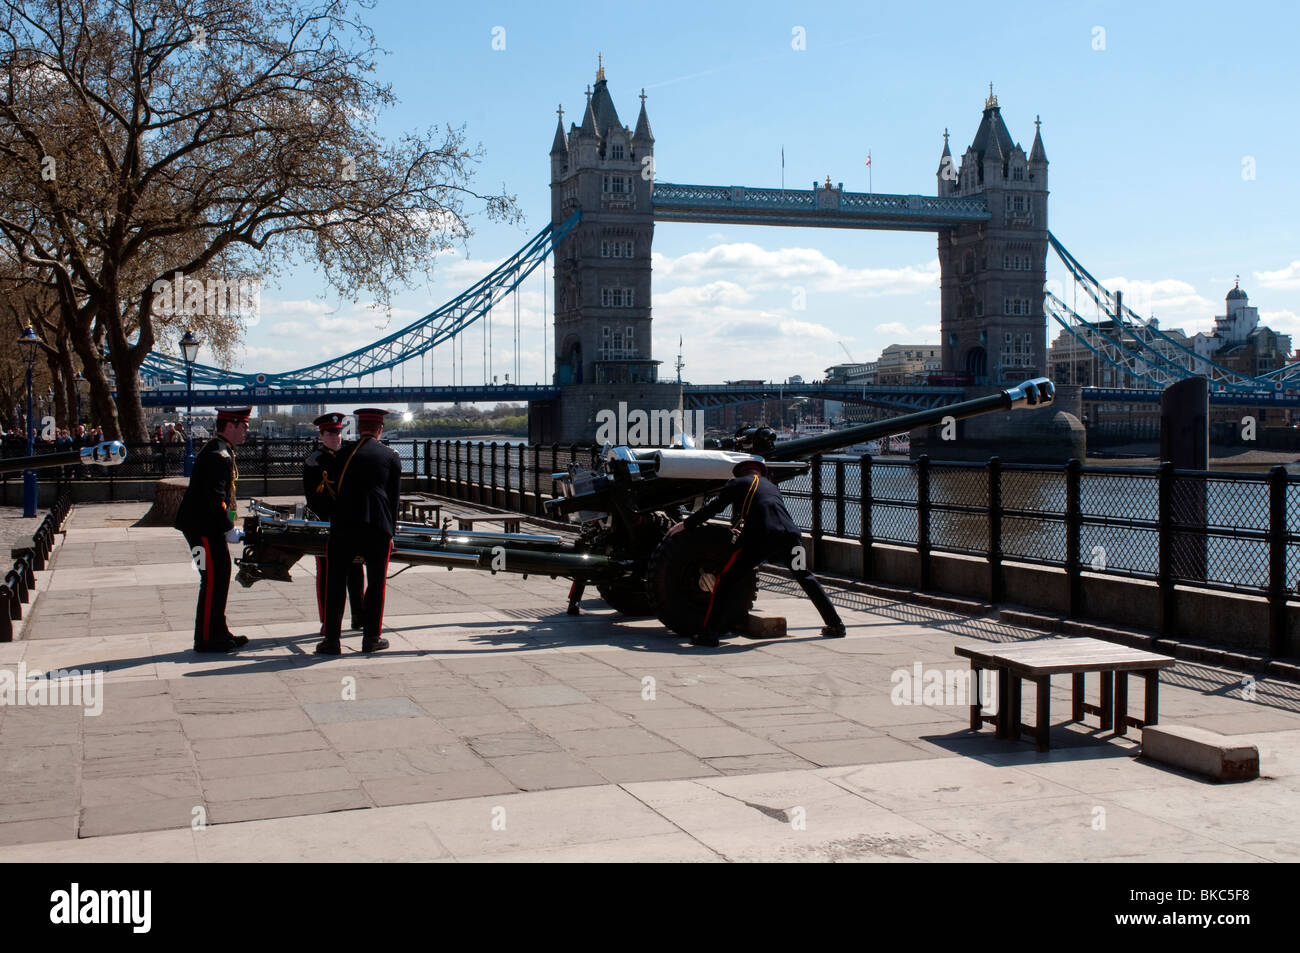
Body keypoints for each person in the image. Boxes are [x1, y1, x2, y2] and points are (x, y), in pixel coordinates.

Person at [666, 458, 846, 647]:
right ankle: (836, 624)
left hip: (762, 537)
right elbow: (764, 511)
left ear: (740, 473)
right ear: (761, 472)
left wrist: (686, 524)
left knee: (725, 579)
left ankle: (709, 633)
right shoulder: (771, 486)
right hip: (791, 535)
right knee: (805, 577)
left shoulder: (737, 483)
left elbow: (715, 507)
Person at [318, 408, 400, 655]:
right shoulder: (390, 455)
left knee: (335, 582)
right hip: (376, 527)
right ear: (379, 429)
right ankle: (371, 637)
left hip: (343, 526)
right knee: (376, 583)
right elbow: (393, 499)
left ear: (359, 427)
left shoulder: (340, 455)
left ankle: (331, 640)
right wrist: (391, 532)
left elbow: (329, 492)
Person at [173, 406, 252, 653]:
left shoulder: (221, 450)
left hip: (206, 525)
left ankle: (218, 630)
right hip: (202, 528)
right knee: (212, 578)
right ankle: (206, 638)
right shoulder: (218, 456)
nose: (247, 430)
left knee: (219, 576)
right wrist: (228, 527)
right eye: (244, 425)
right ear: (230, 426)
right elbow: (214, 497)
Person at [302, 412, 365, 633]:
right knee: (327, 575)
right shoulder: (314, 462)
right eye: (331, 433)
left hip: (350, 523)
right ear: (321, 435)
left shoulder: (348, 456)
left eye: (338, 432)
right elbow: (314, 499)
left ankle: (359, 616)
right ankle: (327, 620)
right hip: (327, 524)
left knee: (356, 571)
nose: (336, 436)